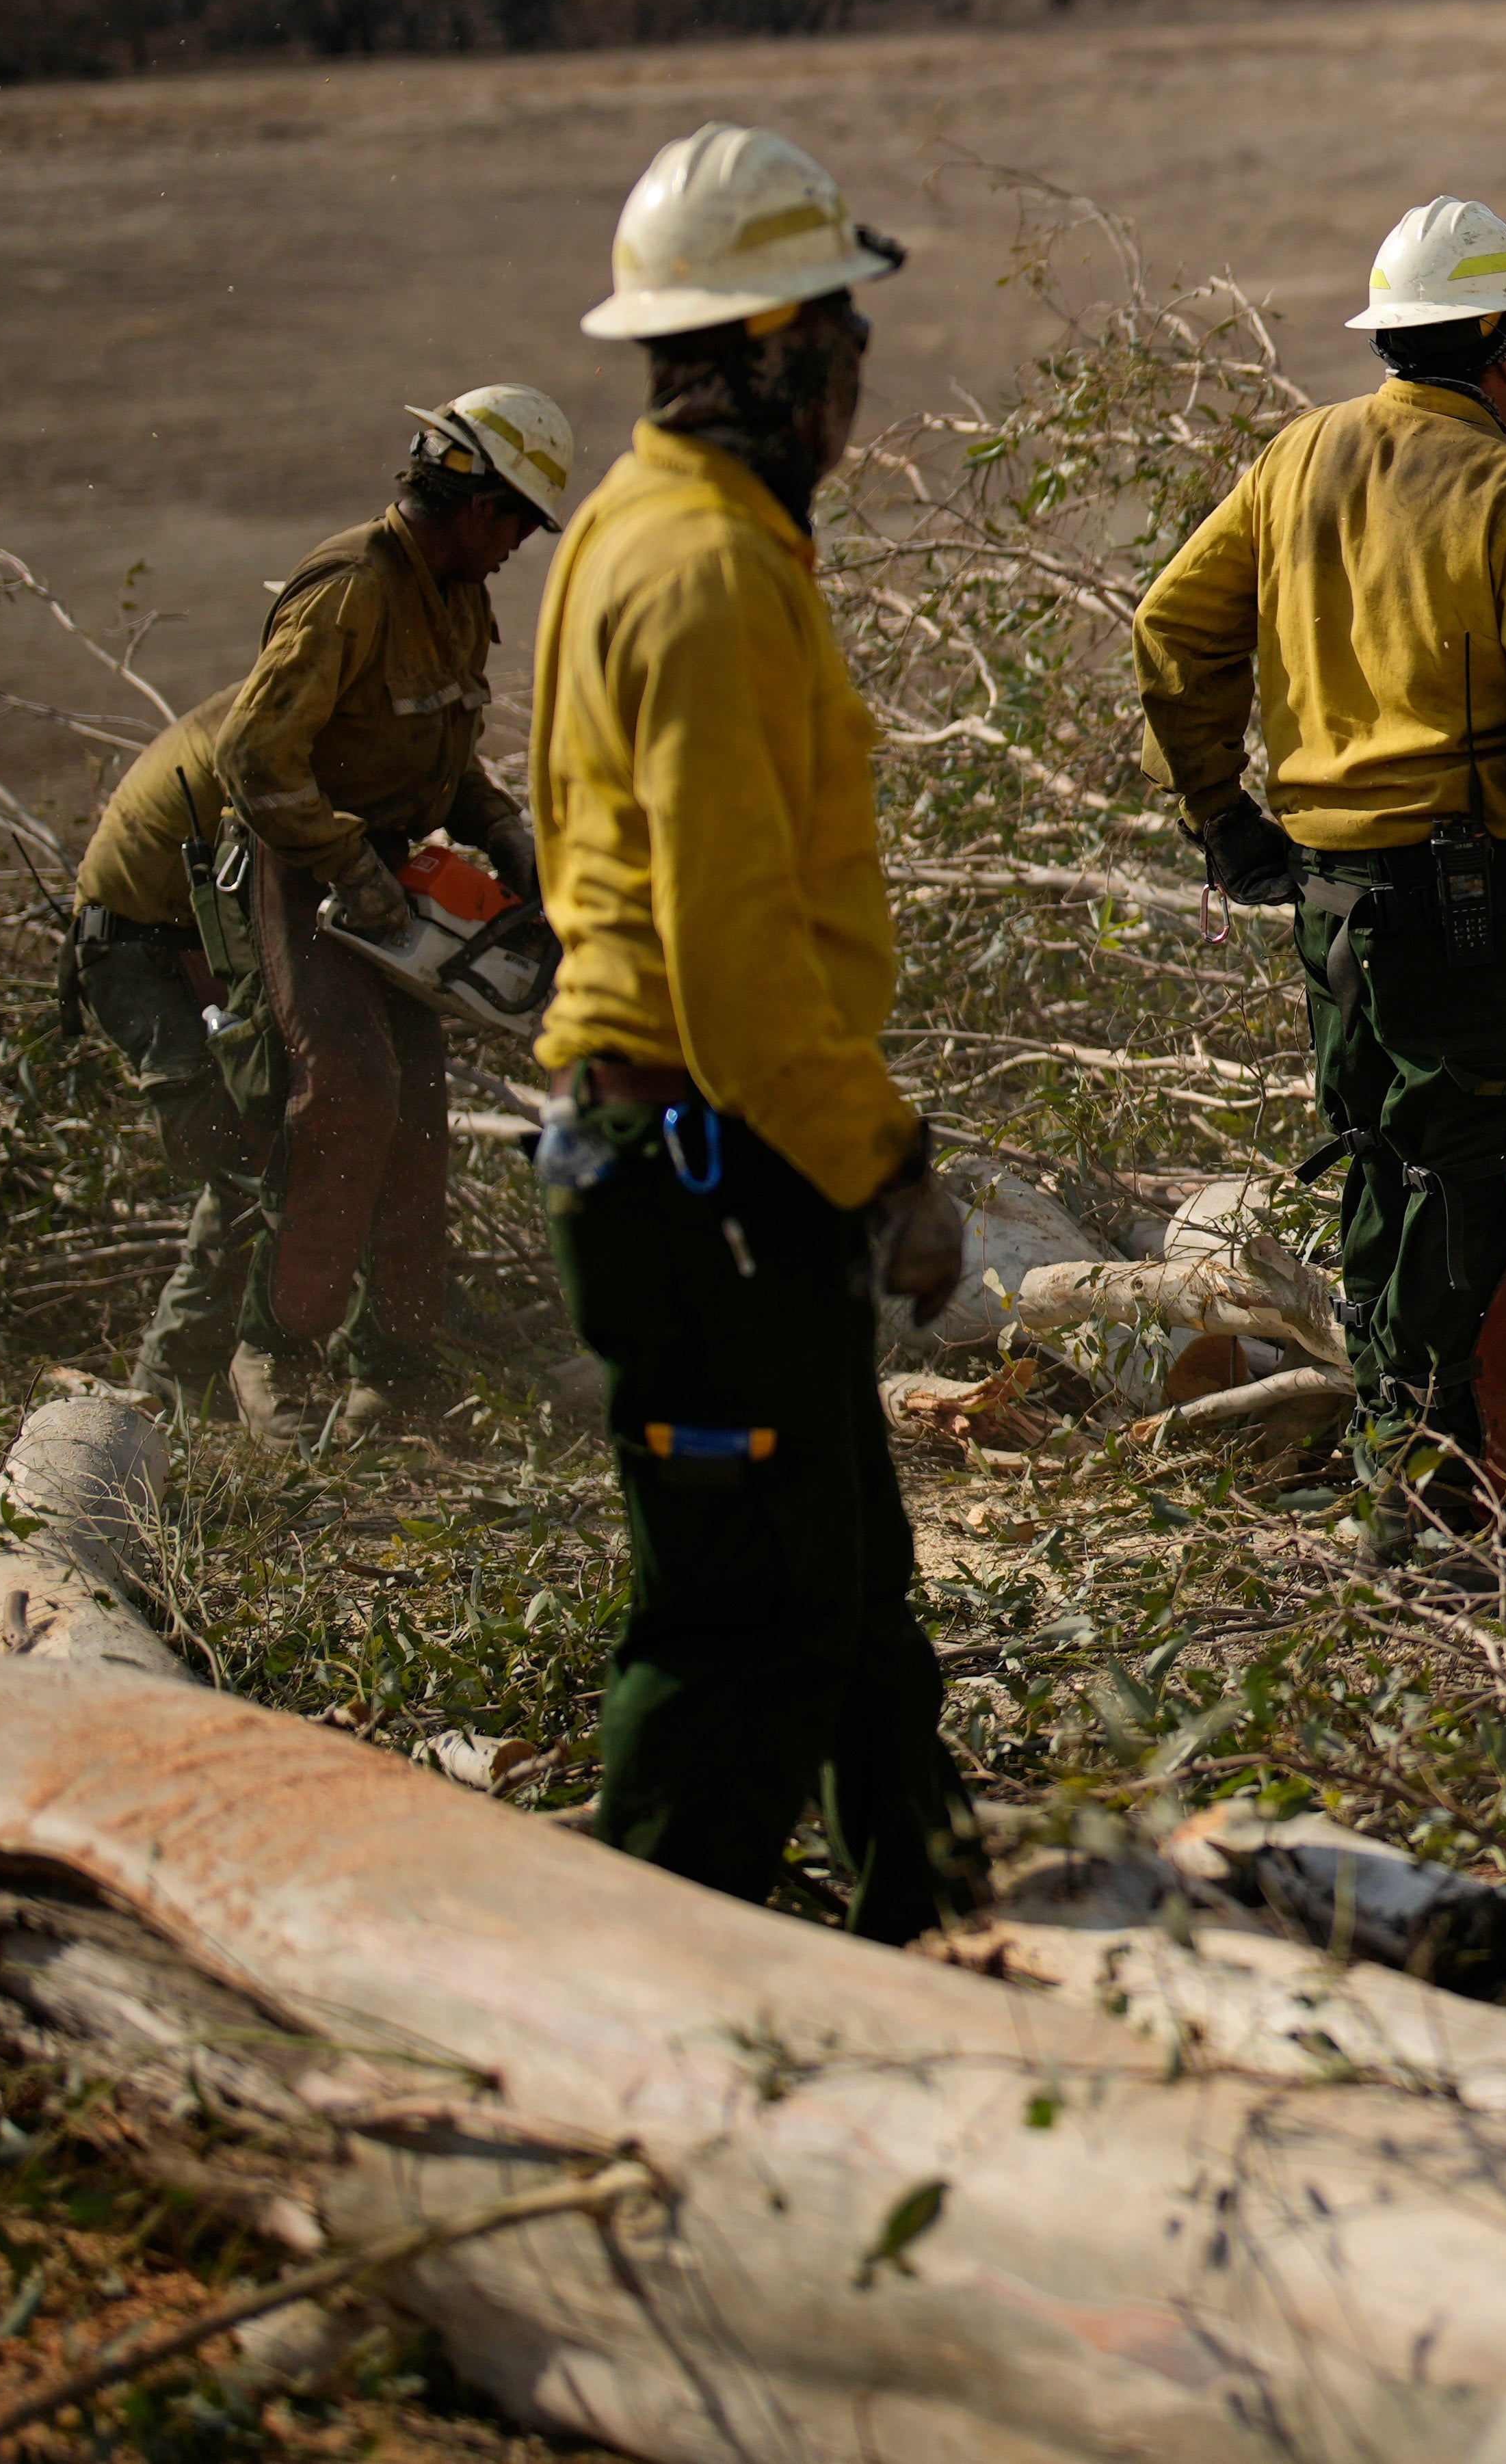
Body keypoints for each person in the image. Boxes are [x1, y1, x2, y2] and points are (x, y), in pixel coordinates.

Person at [531, 123, 980, 1942]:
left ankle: (943, 1922)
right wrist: (886, 1167)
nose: (861, 389)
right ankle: (643, 1992)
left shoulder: (639, 527)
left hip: (702, 1156)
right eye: (851, 348)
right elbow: (729, 964)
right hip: (716, 1167)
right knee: (751, 1626)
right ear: (786, 349)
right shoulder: (706, 574)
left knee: (852, 1580)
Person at [1133, 196, 1506, 1526]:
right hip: (1472, 907)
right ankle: (1449, 1519)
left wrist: (1225, 818)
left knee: (1381, 1177)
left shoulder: (1298, 459)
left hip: (1333, 905)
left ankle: (1392, 1477)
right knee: (1476, 1208)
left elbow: (1172, 627)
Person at [68, 385, 574, 1422]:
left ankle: (391, 1369)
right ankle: (261, 1361)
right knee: (335, 1097)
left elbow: (434, 760)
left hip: (359, 875)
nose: (523, 543)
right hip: (279, 871)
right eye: (519, 518)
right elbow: (261, 762)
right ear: (477, 506)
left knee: (413, 1110)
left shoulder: (456, 600)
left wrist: (510, 837)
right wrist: (351, 870)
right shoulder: (352, 589)